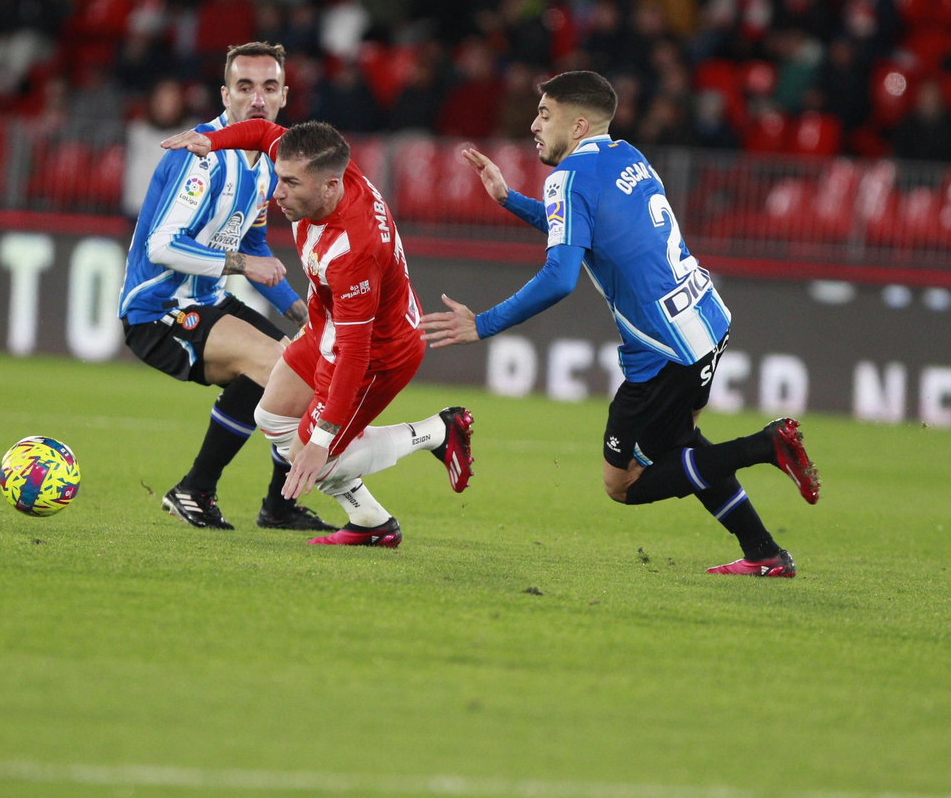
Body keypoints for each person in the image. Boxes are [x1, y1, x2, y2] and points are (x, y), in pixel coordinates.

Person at [418, 71, 819, 576]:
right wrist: (508, 200)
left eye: (545, 114)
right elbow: (582, 228)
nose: (534, 126)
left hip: (663, 351)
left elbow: (560, 276)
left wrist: (485, 323)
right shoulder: (627, 155)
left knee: (623, 483)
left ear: (578, 123)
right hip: (706, 320)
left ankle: (765, 445)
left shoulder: (567, 178)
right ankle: (764, 552)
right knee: (681, 446)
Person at [162, 119, 474, 548]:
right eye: (278, 177)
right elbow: (263, 130)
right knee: (270, 417)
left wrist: (321, 442)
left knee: (314, 456)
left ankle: (437, 431)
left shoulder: (352, 251)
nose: (278, 192)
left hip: (379, 353)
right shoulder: (329, 169)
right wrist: (210, 141)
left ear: (329, 186)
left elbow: (354, 355)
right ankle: (371, 523)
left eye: (290, 183)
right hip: (330, 328)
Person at [118, 42, 333, 533]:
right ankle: (195, 489)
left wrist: (303, 313)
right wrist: (240, 264)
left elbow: (254, 244)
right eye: (245, 87)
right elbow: (162, 247)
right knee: (280, 366)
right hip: (158, 307)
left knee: (307, 369)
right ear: (225, 94)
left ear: (283, 97)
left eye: (269, 87)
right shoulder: (203, 154)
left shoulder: (265, 162)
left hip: (208, 300)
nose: (257, 98)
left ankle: (279, 506)